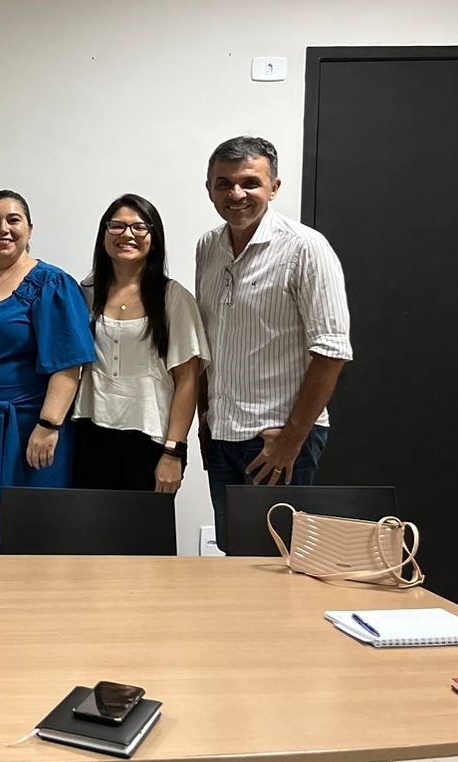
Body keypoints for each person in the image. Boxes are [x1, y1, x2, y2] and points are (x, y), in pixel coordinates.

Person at [195, 136, 352, 545]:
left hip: (276, 438)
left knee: (277, 559)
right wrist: (205, 419)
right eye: (224, 183)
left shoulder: (305, 248)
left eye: (250, 182)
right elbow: (209, 340)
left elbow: (331, 351)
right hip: (222, 435)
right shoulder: (208, 247)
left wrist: (291, 439)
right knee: (234, 550)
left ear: (274, 187)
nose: (236, 194)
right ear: (209, 188)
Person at [0, 190, 93, 554]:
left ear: (29, 228)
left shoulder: (52, 284)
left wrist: (49, 425)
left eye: (13, 220)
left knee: (32, 536)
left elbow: (69, 365)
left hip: (29, 430)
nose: (3, 229)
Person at [71, 195, 208, 494]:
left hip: (151, 439)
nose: (127, 234)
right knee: (89, 524)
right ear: (104, 236)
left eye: (139, 227)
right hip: (90, 433)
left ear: (154, 239)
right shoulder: (85, 293)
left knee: (145, 525)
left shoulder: (173, 298)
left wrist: (174, 451)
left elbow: (187, 380)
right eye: (117, 226)